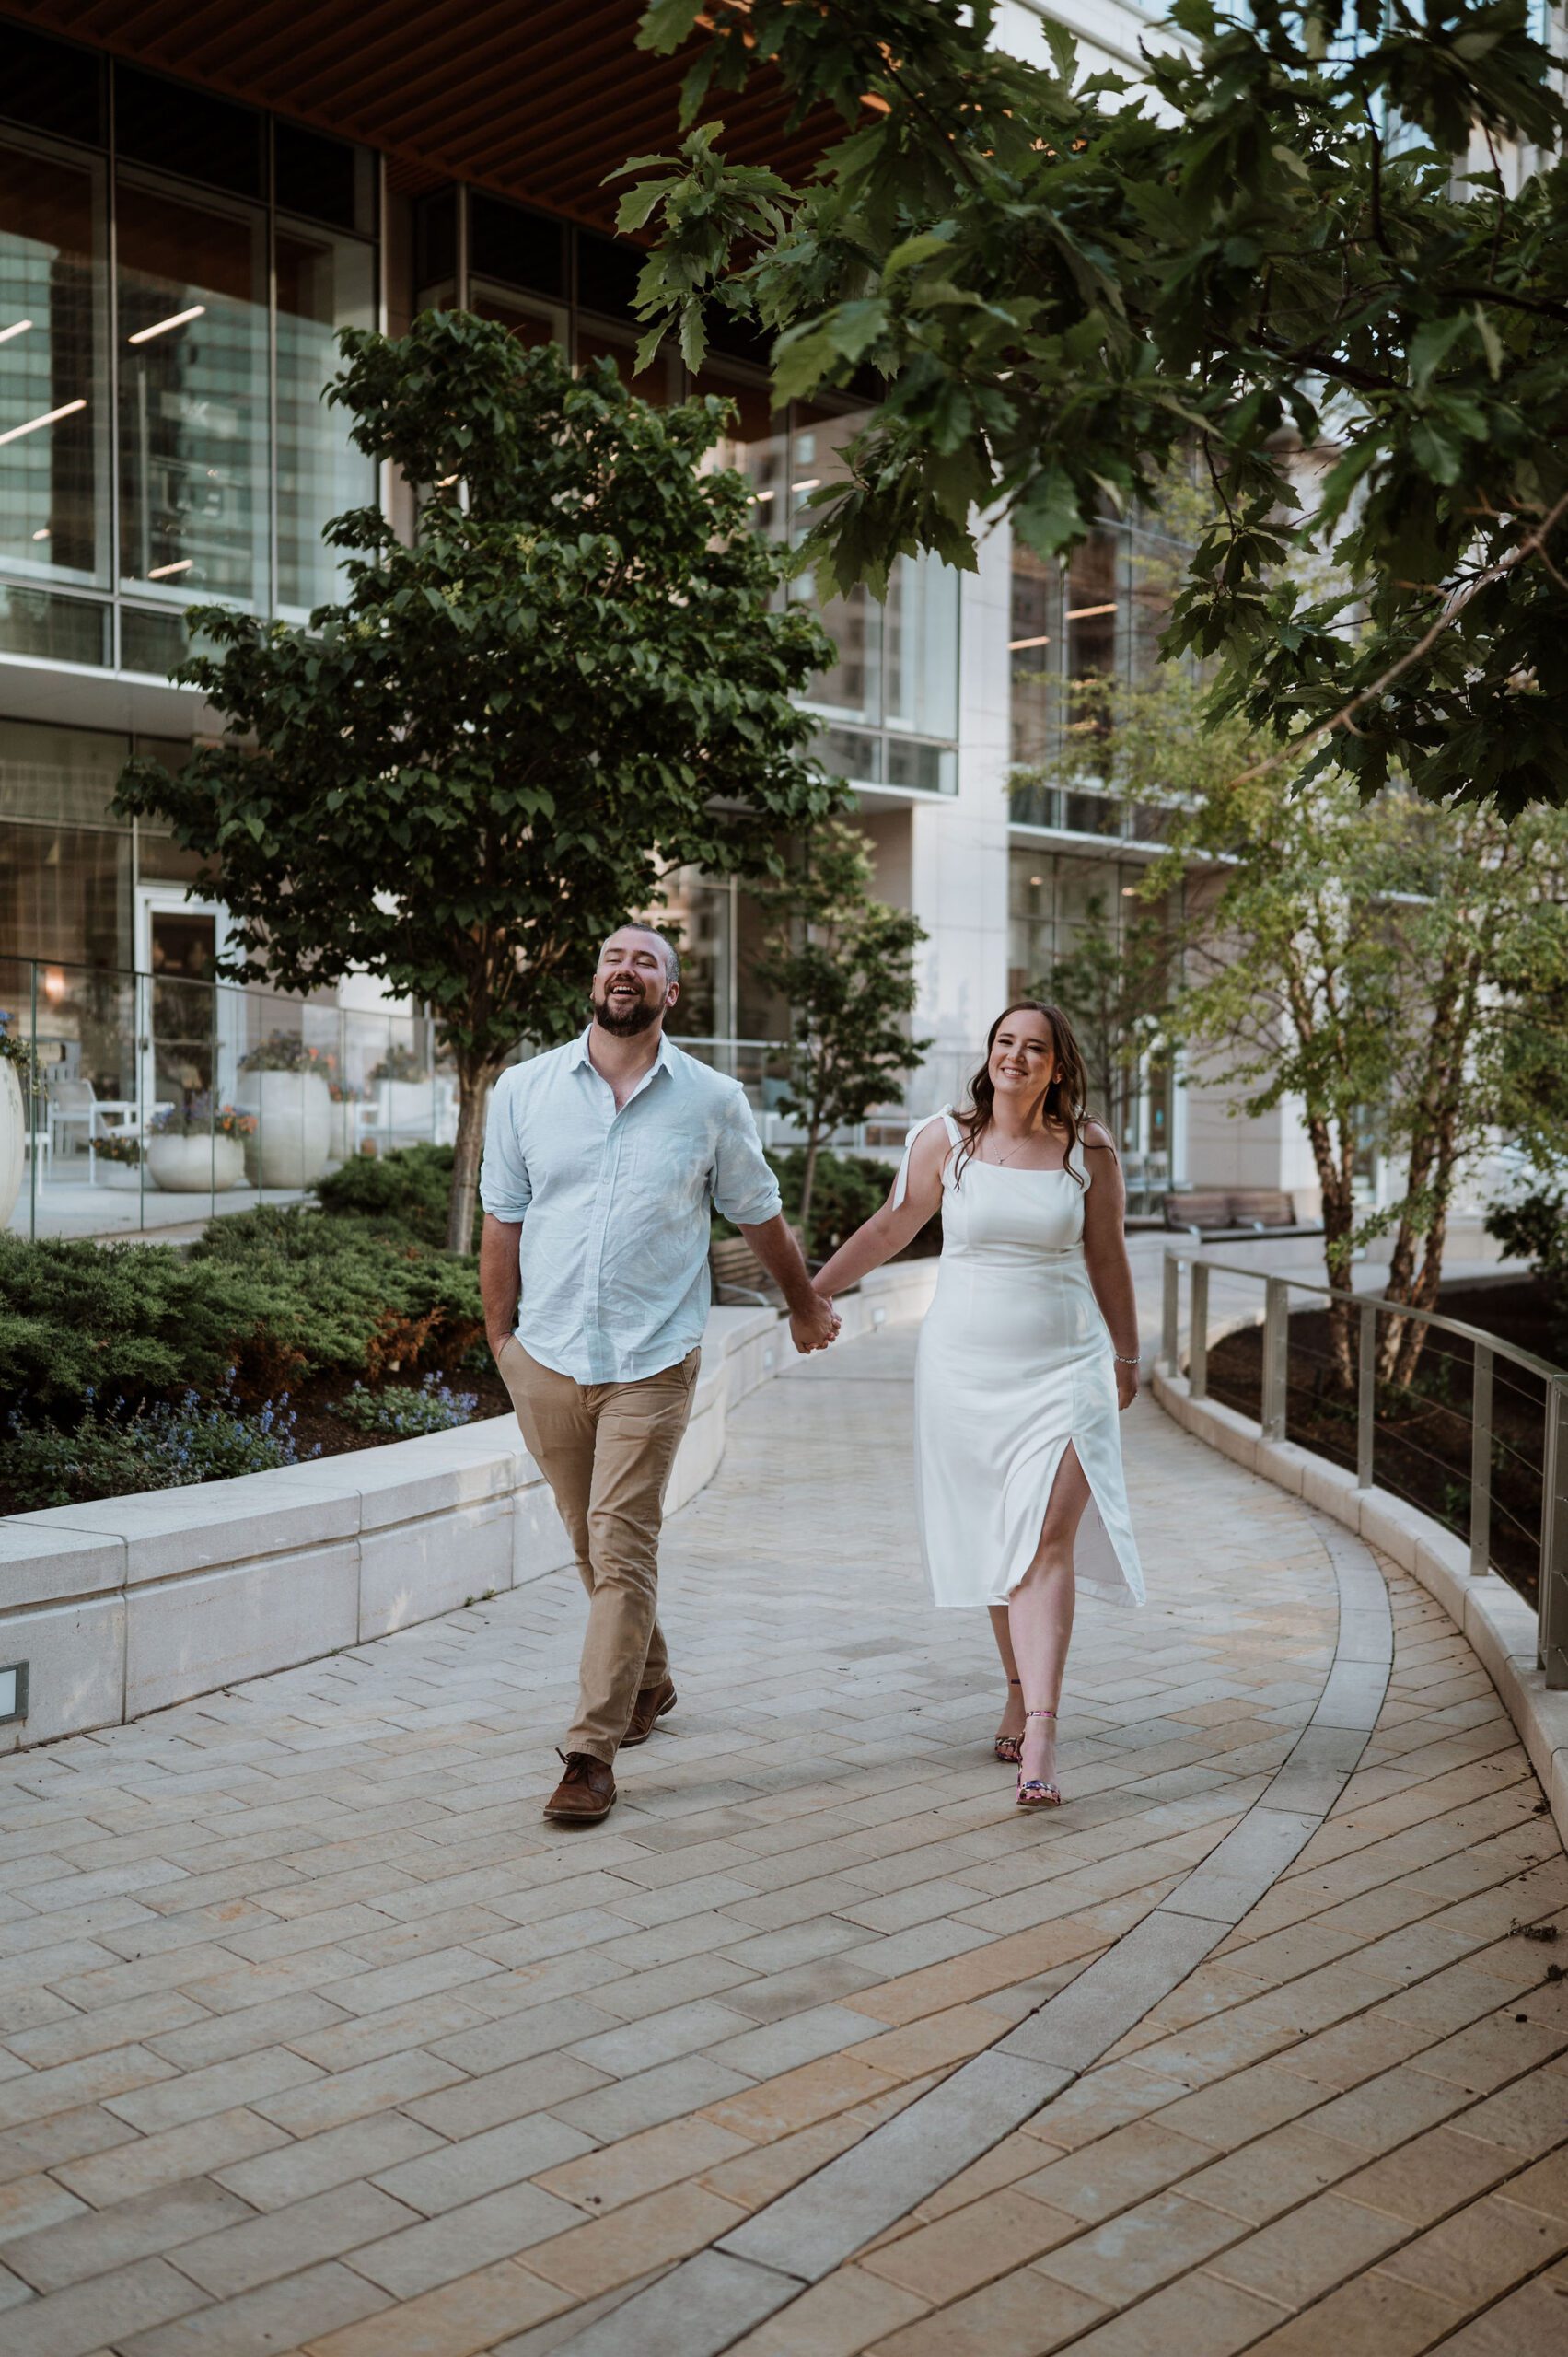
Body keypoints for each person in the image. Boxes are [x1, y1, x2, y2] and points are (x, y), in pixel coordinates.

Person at [479, 923, 840, 1827]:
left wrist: (800, 1304)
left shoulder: (711, 1100)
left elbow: (759, 1216)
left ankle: (590, 1752)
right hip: (547, 1355)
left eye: (646, 960)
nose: (625, 968)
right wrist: (499, 1340)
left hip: (653, 1359)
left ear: (669, 994)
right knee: (588, 1543)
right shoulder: (523, 1090)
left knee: (622, 1538)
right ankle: (651, 1678)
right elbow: (502, 1221)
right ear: (592, 981)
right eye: (611, 957)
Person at [810, 1001, 1144, 1807]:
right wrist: (809, 1293)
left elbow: (1107, 1254)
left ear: (1058, 1066)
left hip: (1064, 1371)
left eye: (1035, 1049)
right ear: (988, 1054)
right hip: (961, 1376)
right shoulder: (945, 1141)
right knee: (997, 1544)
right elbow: (892, 1228)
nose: (1016, 1058)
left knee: (1042, 1540)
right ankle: (1013, 1685)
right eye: (1005, 1043)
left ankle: (1041, 1730)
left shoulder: (1086, 1150)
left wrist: (1127, 1353)